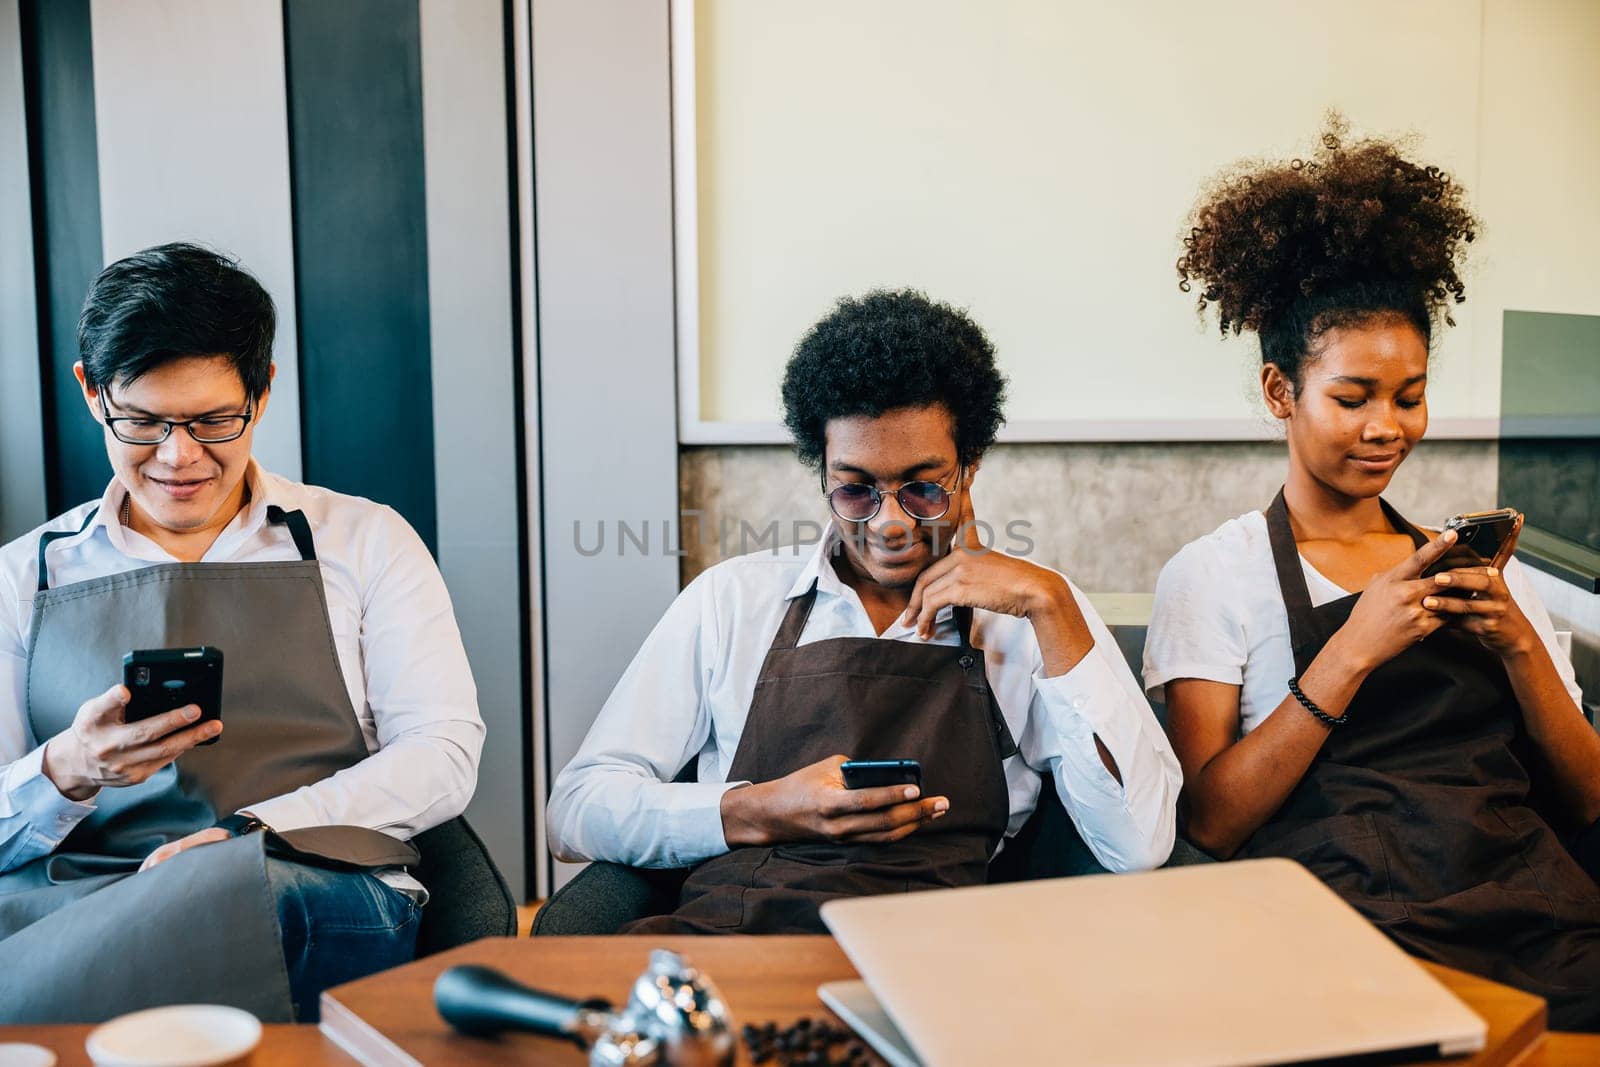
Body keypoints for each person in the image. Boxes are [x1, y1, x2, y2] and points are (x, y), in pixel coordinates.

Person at [1144, 120, 1600, 1029]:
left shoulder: (1483, 570)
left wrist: (1517, 644)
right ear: (1282, 393)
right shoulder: (1215, 575)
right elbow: (1210, 821)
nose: (1386, 425)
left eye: (1410, 394)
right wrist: (1350, 652)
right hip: (1347, 939)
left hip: (1543, 922)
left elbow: (1587, 799)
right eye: (1352, 398)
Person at [549, 288, 1181, 934]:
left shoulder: (1033, 620)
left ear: (971, 468)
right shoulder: (734, 601)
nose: (890, 523)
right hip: (732, 949)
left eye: (923, 488)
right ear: (821, 473)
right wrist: (760, 808)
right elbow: (574, 811)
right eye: (855, 490)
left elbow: (1138, 844)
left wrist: (1053, 607)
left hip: (942, 966)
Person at [0, 244, 485, 1022]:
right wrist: (68, 766)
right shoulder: (23, 577)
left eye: (213, 420)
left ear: (260, 395)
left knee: (272, 905)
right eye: (144, 420)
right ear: (92, 393)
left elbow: (443, 752)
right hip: (82, 899)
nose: (179, 456)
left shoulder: (364, 540)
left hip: (302, 880)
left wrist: (249, 833)